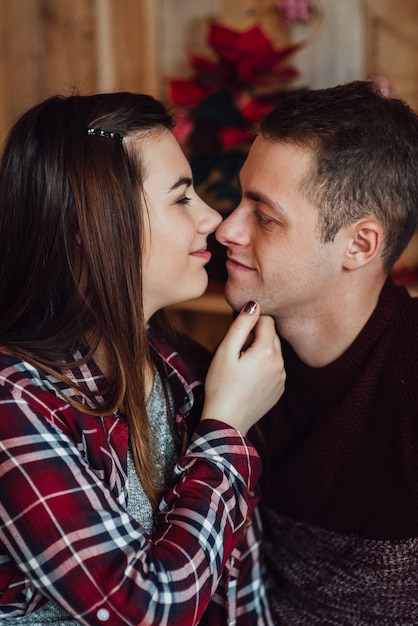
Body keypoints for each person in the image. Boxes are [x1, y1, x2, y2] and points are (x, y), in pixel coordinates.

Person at [0, 92, 286, 625]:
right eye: (181, 199)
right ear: (89, 229)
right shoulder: (15, 399)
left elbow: (239, 583)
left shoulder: (179, 365)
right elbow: (146, 610)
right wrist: (225, 428)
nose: (212, 218)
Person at [215, 80, 418, 624]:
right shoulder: (236, 364)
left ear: (359, 245)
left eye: (264, 215)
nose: (226, 228)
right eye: (240, 200)